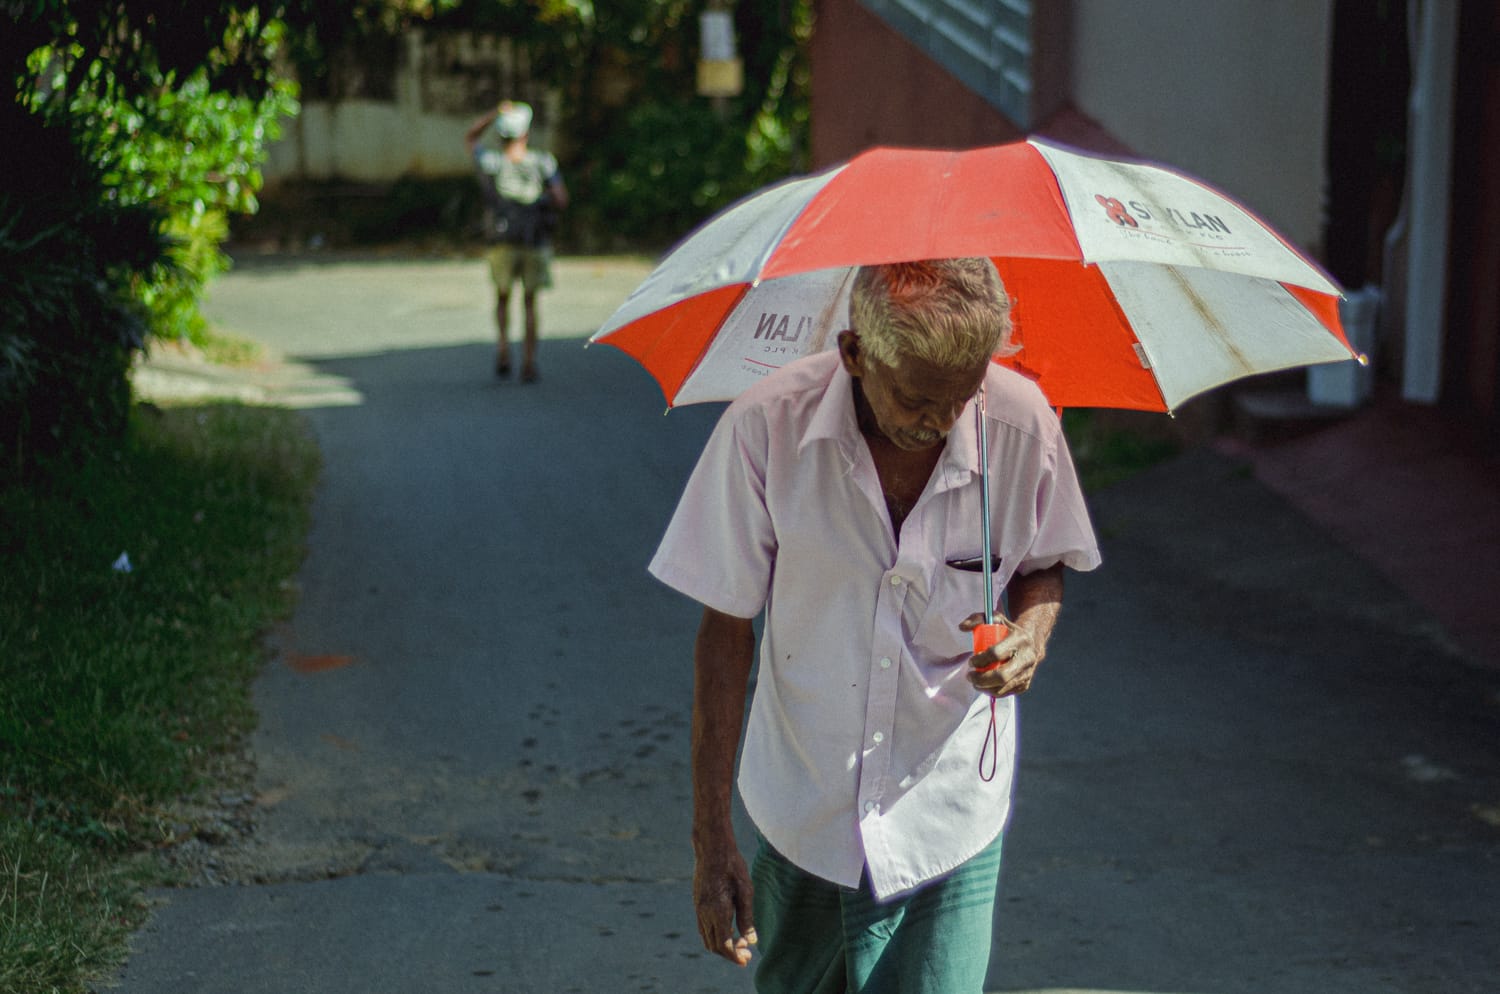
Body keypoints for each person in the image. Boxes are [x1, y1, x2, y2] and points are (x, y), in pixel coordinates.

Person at [649, 258, 1101, 993]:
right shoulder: (766, 427)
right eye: (918, 398)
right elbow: (725, 632)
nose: (942, 421)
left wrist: (1031, 636)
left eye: (962, 396)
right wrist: (711, 838)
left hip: (949, 814)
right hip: (804, 812)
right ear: (855, 353)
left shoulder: (1021, 426)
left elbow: (1044, 564)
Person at [465, 100, 568, 383]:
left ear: (501, 135)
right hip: (535, 240)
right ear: (525, 133)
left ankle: (503, 349)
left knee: (502, 297)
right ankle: (529, 361)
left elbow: (470, 137)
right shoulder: (543, 162)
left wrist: (493, 113)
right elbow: (561, 199)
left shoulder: (492, 162)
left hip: (501, 240)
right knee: (530, 302)